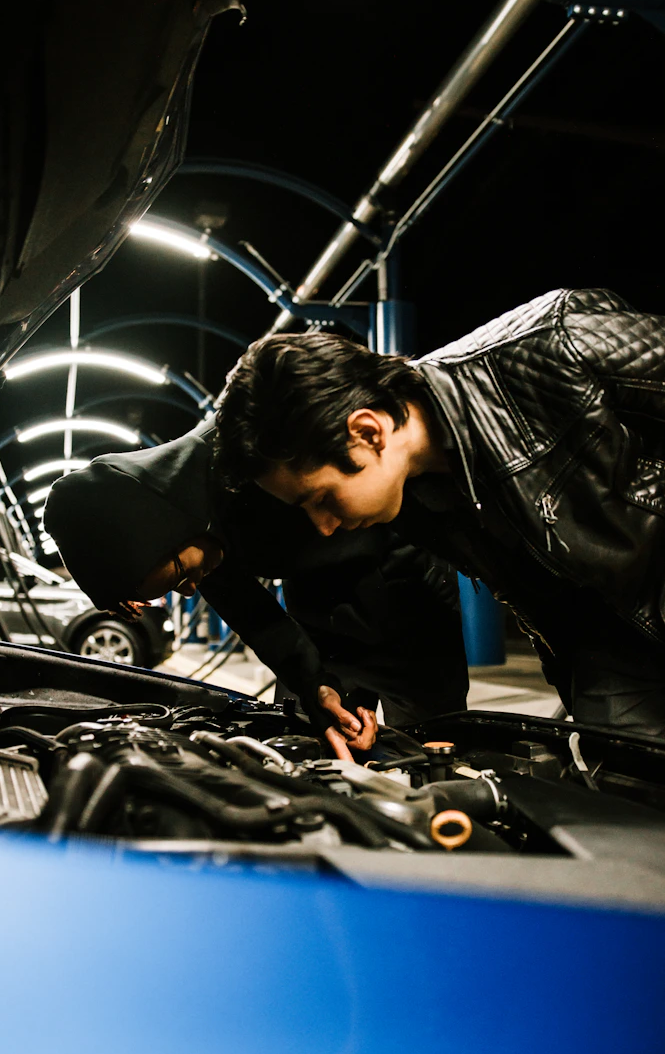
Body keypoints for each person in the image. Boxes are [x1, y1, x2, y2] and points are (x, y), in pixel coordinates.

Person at [214, 288, 665, 741]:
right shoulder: (411, 502)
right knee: (623, 798)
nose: (324, 525)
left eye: (323, 498)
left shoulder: (551, 346)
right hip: (608, 655)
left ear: (368, 432)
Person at [43, 418, 469, 758]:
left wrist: (364, 676)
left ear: (161, 529)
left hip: (407, 599)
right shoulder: (190, 529)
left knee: (430, 748)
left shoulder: (256, 445)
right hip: (319, 611)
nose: (192, 589)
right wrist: (315, 684)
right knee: (308, 741)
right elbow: (255, 615)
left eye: (180, 575)